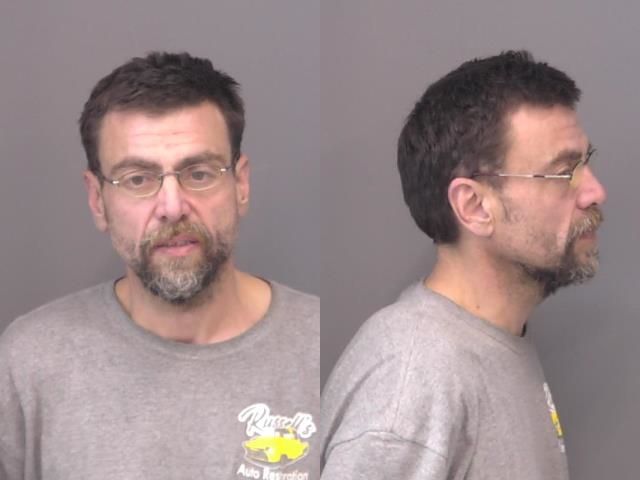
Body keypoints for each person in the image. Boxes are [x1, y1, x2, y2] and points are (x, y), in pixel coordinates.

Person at [0, 52, 319, 479]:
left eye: (199, 173)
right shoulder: (29, 362)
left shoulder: (319, 346)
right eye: (137, 179)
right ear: (97, 200)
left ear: (240, 184)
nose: (172, 206)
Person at [321, 51, 606, 479]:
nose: (595, 191)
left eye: (586, 162)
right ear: (473, 206)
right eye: (564, 172)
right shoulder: (414, 376)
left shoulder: (490, 344)